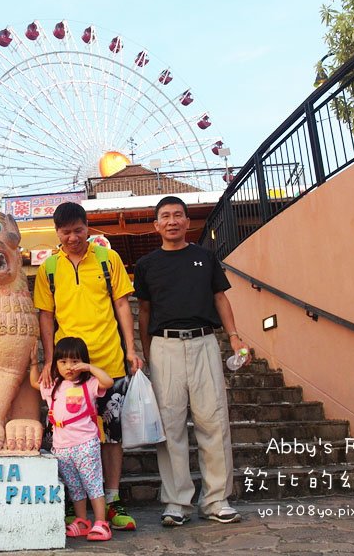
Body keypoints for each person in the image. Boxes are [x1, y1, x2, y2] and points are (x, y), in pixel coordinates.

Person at [133, 196, 251, 527]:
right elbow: (143, 310)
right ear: (156, 225)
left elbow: (219, 297)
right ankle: (176, 502)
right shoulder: (147, 265)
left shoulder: (205, 257)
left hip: (204, 342)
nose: (172, 221)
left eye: (178, 215)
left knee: (213, 422)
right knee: (170, 429)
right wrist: (147, 351)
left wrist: (234, 336)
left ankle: (216, 499)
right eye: (165, 216)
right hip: (164, 347)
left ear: (188, 222)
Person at [33, 201, 143, 531]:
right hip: (69, 371)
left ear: (88, 228)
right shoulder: (49, 268)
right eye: (65, 232)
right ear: (57, 233)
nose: (73, 238)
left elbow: (123, 303)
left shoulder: (108, 260)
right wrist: (50, 359)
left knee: (111, 436)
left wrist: (131, 347)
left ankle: (111, 499)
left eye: (78, 230)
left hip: (108, 361)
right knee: (66, 437)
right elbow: (46, 316)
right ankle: (76, 503)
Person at [30, 337, 113, 541]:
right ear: (56, 363)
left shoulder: (90, 384)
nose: (69, 367)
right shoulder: (54, 386)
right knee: (75, 487)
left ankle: (101, 522)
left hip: (86, 444)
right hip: (61, 447)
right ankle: (82, 520)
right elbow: (34, 383)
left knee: (92, 484)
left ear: (83, 362)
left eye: (75, 362)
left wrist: (89, 368)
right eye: (63, 362)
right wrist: (34, 363)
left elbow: (108, 381)